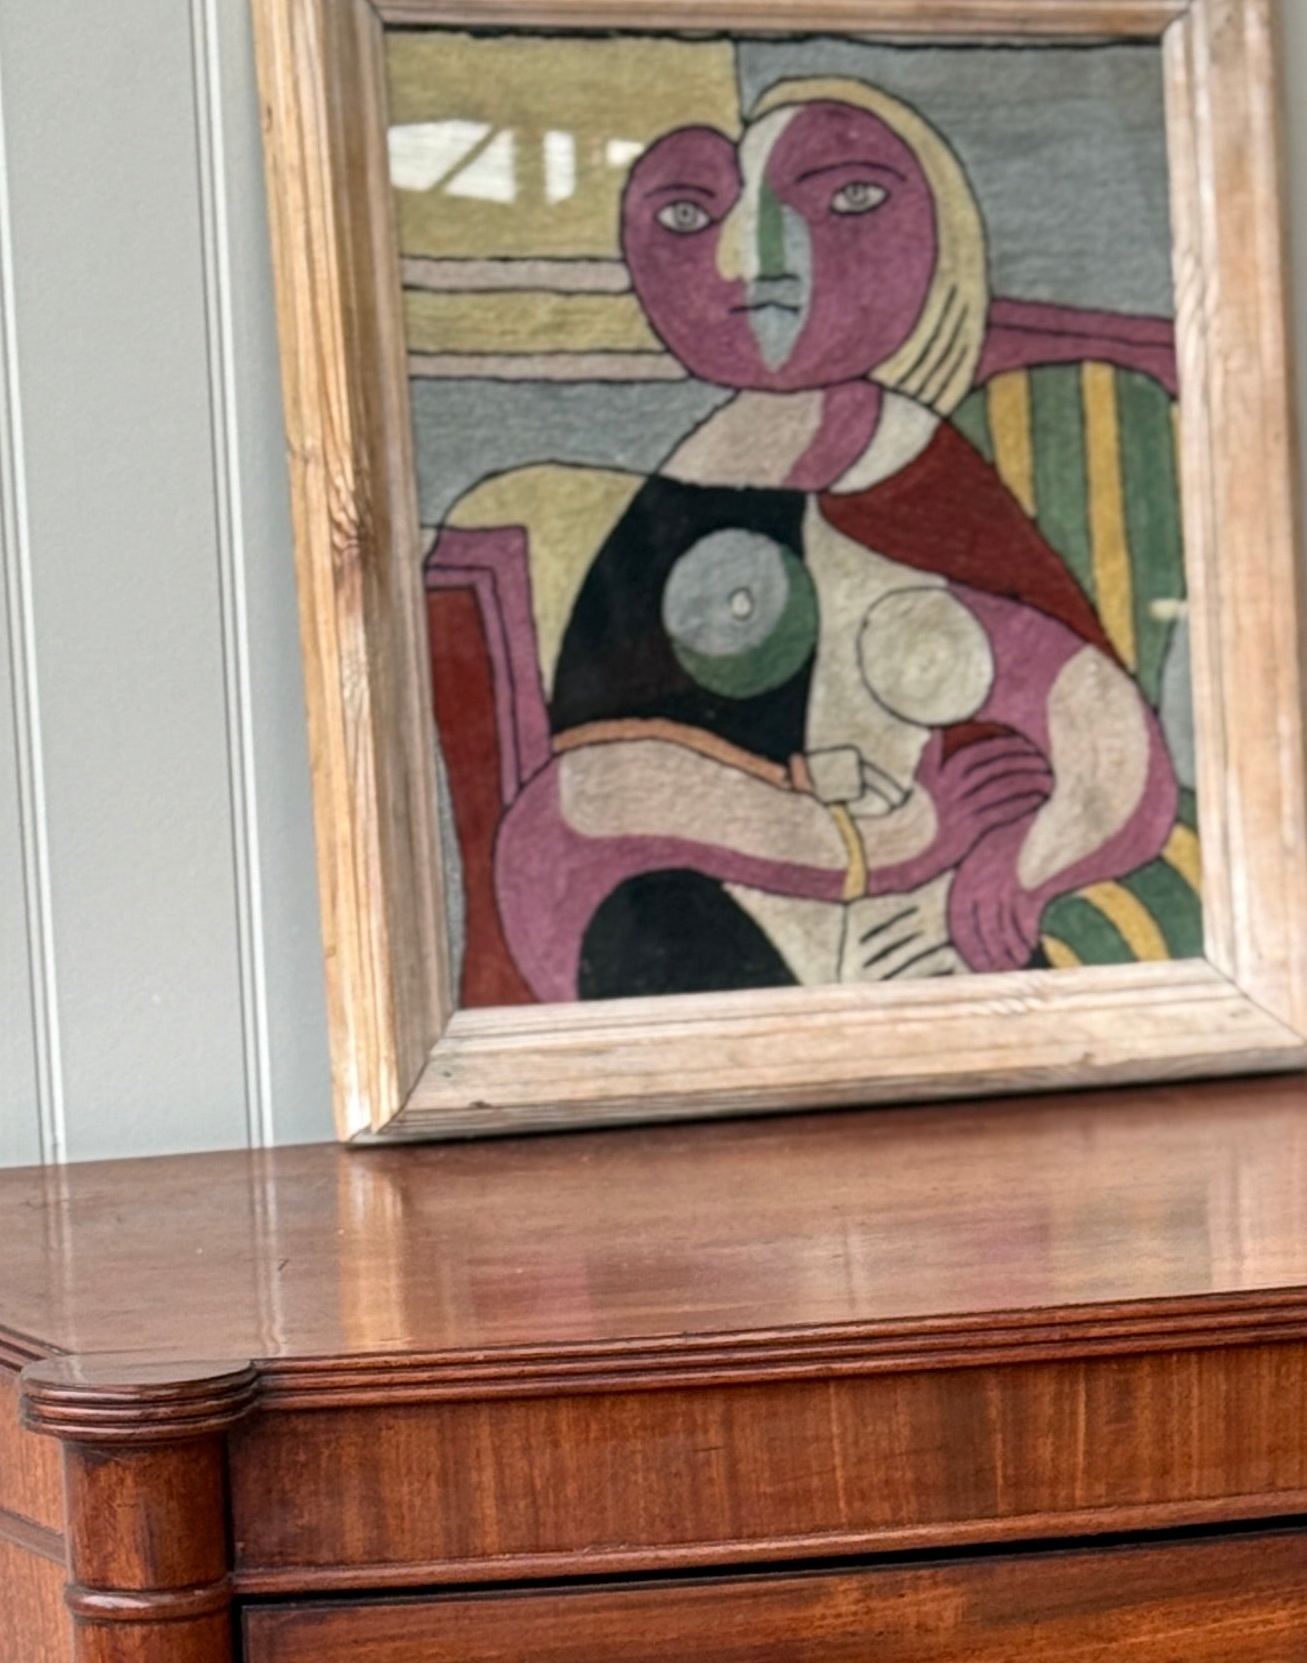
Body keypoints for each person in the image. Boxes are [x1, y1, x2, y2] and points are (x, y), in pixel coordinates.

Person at [480, 78, 1181, 1001]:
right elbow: (588, 798)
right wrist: (877, 846)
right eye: (691, 215)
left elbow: (1106, 743)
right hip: (698, 929)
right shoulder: (690, 486)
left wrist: (1018, 866)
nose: (754, 263)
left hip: (903, 949)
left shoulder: (914, 479)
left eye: (847, 199)